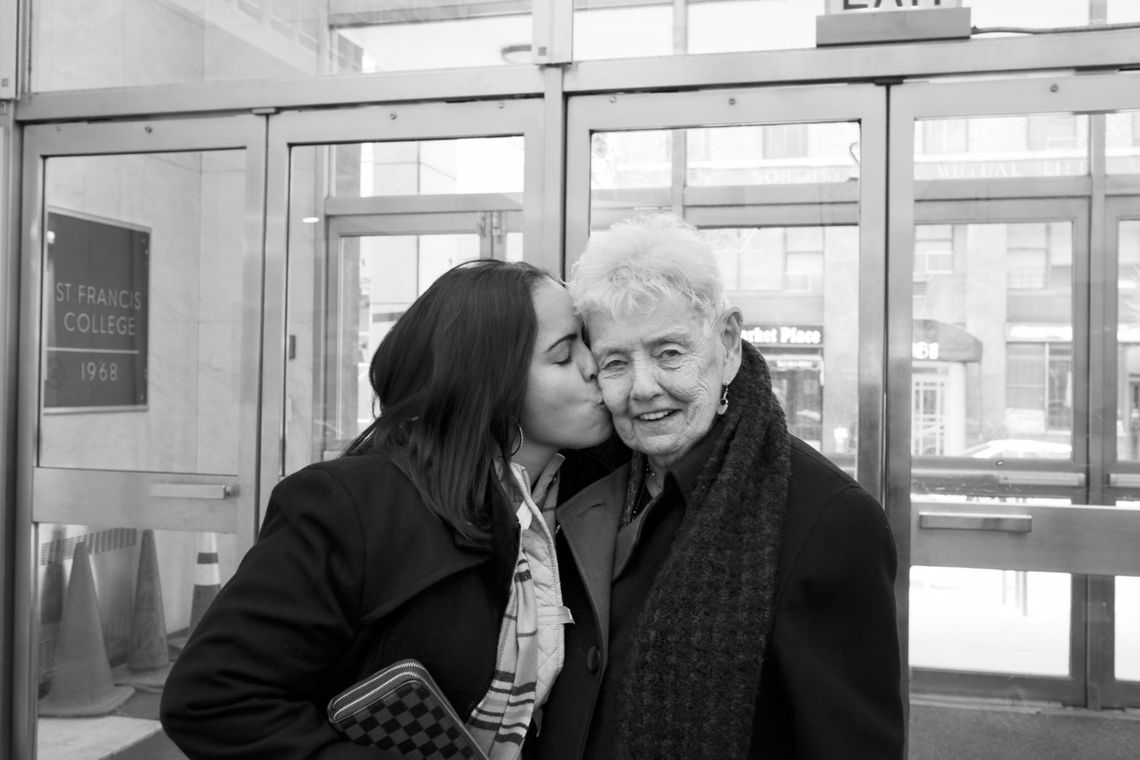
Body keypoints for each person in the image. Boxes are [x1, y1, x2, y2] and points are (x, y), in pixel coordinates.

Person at [160, 259, 618, 760]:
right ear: (489, 383)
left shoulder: (586, 494)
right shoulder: (349, 506)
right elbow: (213, 702)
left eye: (586, 342)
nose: (594, 366)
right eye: (561, 356)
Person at [534, 213, 904, 759]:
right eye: (615, 362)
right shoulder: (586, 481)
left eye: (669, 354)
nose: (643, 389)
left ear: (727, 342)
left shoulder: (827, 518)